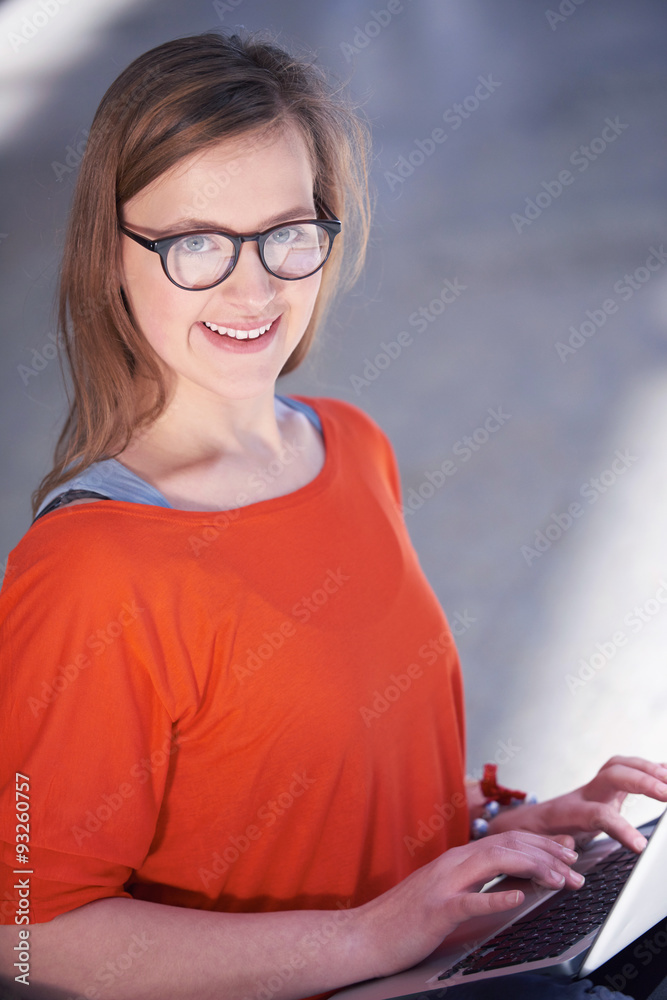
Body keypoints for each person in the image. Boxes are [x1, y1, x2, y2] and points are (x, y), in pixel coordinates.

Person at [0, 31, 664, 1000]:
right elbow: (29, 936)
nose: (253, 283)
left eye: (288, 231)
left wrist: (490, 841)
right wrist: (365, 937)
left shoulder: (347, 444)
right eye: (194, 242)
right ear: (111, 255)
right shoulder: (90, 566)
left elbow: (326, 791)